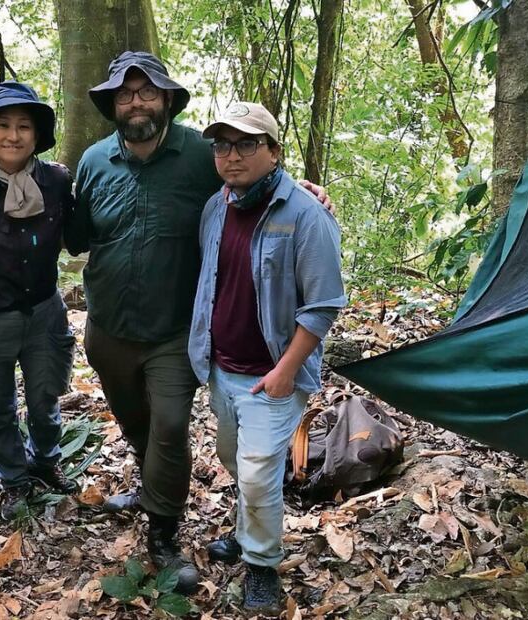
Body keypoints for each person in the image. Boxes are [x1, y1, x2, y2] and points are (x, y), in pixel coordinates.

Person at [66, 51, 332, 594]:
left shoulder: (198, 155)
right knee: (136, 422)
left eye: (146, 92)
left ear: (166, 100)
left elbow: (254, 185)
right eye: (124, 94)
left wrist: (301, 189)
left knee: (168, 426)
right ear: (112, 106)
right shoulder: (93, 161)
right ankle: (152, 485)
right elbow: (77, 235)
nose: (136, 101)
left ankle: (162, 533)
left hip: (174, 331)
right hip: (109, 327)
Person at [188, 102, 346, 614]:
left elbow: (323, 305)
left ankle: (261, 566)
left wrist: (285, 371)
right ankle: (247, 526)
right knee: (238, 461)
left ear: (274, 151)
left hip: (273, 375)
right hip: (222, 368)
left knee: (256, 472)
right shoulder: (217, 207)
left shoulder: (304, 214)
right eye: (222, 144)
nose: (232, 156)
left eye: (247, 144)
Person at [0, 82, 80, 520]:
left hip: (45, 309)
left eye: (24, 126)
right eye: (3, 126)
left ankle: (46, 461)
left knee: (46, 398)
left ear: (37, 135)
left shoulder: (58, 181)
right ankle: (13, 479)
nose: (13, 135)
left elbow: (79, 236)